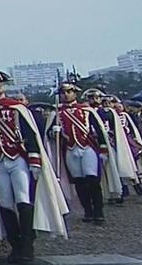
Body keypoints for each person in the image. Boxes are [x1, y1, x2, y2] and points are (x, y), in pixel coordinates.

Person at [0, 71, 69, 264]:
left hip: (17, 158)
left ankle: (28, 245)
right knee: (5, 202)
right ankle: (15, 244)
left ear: (2, 85)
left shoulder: (16, 108)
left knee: (23, 199)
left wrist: (34, 160)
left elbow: (30, 134)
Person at [47, 80, 110, 224]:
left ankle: (98, 210)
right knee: (79, 182)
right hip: (70, 149)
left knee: (92, 179)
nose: (66, 95)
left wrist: (103, 148)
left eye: (69, 92)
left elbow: (99, 130)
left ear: (75, 93)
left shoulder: (86, 110)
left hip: (87, 147)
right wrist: (54, 132)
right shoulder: (56, 113)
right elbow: (49, 135)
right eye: (63, 93)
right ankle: (87, 210)